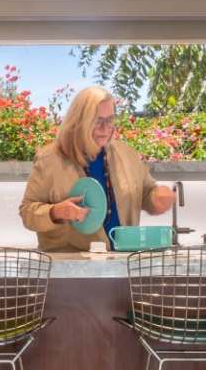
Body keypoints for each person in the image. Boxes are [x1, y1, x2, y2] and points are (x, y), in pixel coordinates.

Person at [19, 85, 181, 252]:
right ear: (78, 121)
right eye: (97, 121)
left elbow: (146, 193)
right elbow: (27, 213)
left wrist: (157, 198)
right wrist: (55, 212)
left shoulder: (127, 154)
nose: (105, 129)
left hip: (123, 264)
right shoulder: (49, 160)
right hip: (70, 267)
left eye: (109, 120)